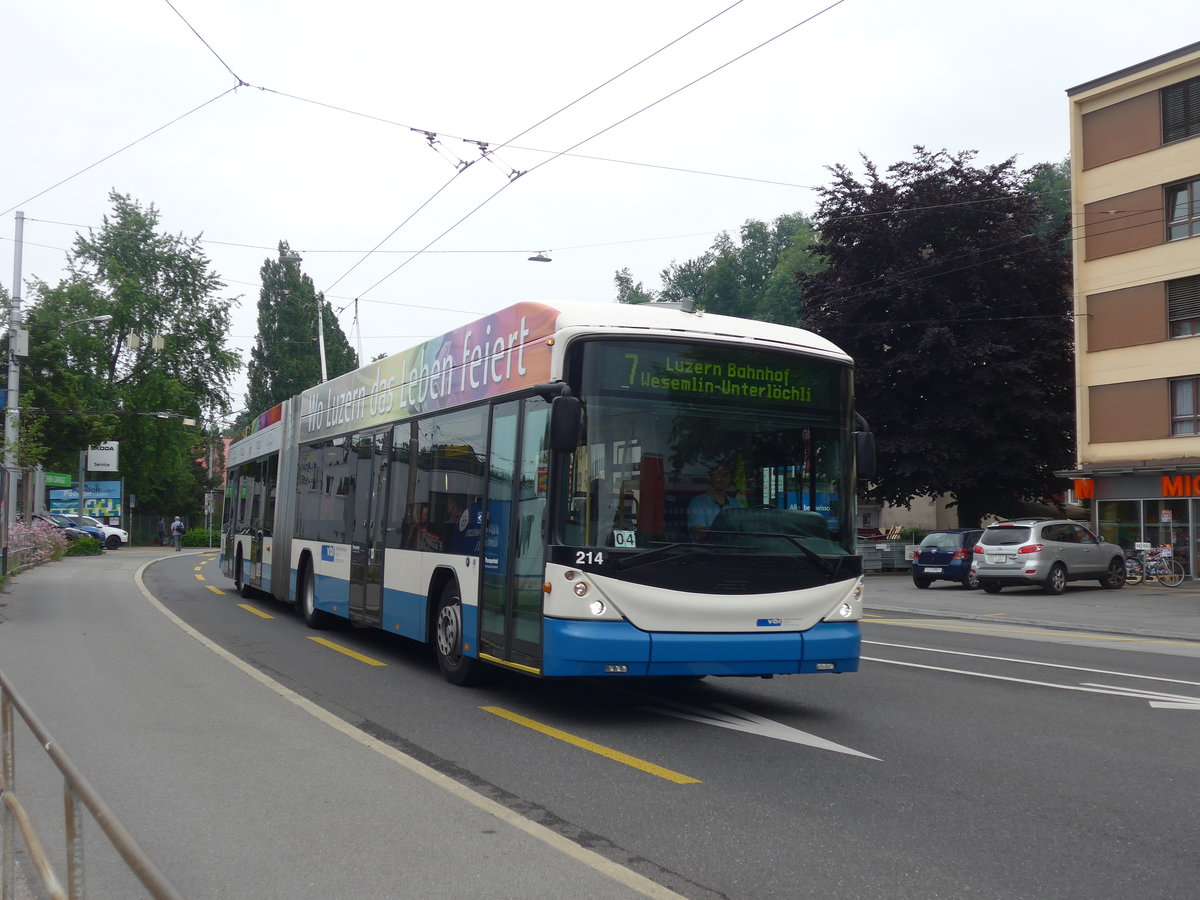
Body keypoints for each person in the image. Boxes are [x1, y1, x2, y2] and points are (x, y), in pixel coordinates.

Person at [688, 462, 743, 541]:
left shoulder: (737, 505)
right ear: (710, 478)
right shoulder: (698, 503)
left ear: (730, 479)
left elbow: (745, 532)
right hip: (706, 553)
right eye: (718, 474)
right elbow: (700, 534)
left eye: (725, 475)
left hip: (734, 552)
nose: (721, 479)